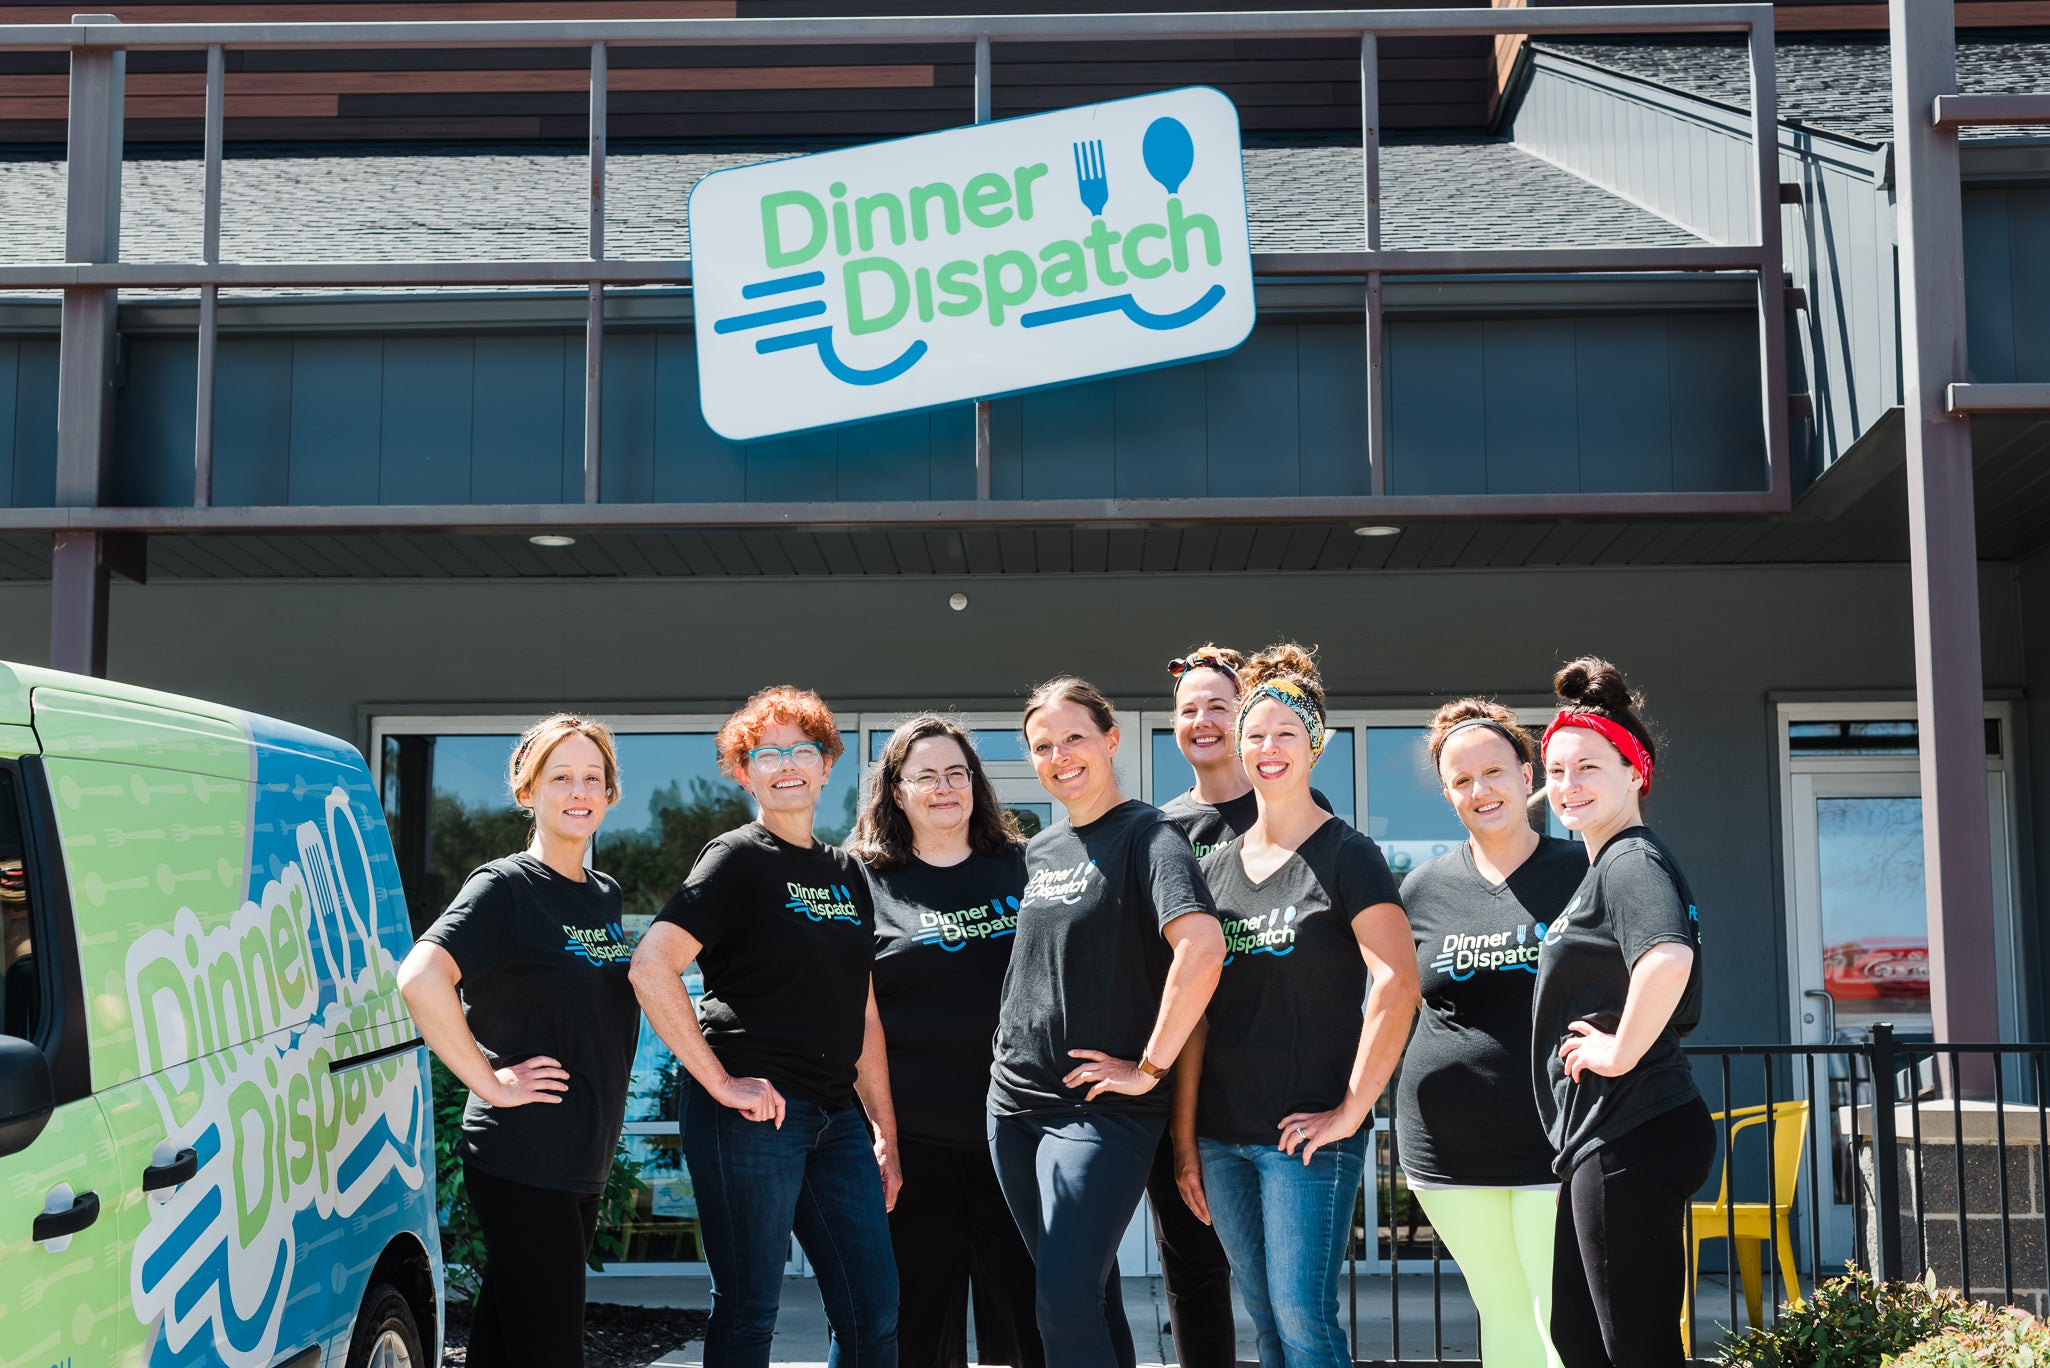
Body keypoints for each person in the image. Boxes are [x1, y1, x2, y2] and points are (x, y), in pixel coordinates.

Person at [629, 686, 900, 1368]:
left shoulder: (849, 874)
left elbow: (864, 1011)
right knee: (750, 1311)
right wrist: (720, 1083)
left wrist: (883, 1131)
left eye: (802, 751)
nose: (786, 766)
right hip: (753, 1117)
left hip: (837, 1119)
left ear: (827, 765)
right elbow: (651, 967)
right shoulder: (735, 858)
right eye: (766, 754)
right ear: (743, 772)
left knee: (873, 1313)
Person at [1171, 644, 1418, 1368]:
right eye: (1255, 734)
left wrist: (1351, 1111)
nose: (1268, 748)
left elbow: (1397, 983)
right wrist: (1186, 1141)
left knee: (1303, 1320)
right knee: (1265, 1322)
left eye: (1286, 733)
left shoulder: (1348, 853)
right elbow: (1198, 1015)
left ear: (1316, 745)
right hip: (1221, 1138)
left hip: (1306, 1139)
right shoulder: (1215, 868)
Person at [989, 677, 1228, 1368]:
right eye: (1043, 746)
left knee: (1062, 1300)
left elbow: (1202, 948)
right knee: (1085, 1296)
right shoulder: (1041, 849)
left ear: (1111, 740)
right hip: (1013, 1104)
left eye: (1074, 738)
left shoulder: (1149, 835)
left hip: (1096, 1110)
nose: (1059, 756)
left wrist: (1148, 1067)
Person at [398, 714, 640, 1368]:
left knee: (507, 1341)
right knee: (550, 1350)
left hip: (580, 1157)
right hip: (525, 1156)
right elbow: (421, 978)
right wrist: (490, 1081)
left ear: (610, 793)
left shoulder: (603, 895)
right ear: (527, 791)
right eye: (560, 777)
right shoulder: (505, 888)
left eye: (592, 777)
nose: (579, 790)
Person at [1534, 657, 1713, 1368]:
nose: (1568, 785)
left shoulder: (1629, 861)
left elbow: (1667, 958)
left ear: (1634, 772)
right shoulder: (1610, 863)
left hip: (1633, 1125)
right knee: (1582, 1340)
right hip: (1609, 1135)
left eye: (1588, 767)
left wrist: (1617, 1051)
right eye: (1556, 771)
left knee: (1634, 1348)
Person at [848, 715, 1042, 1368]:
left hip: (1016, 1135)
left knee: (1032, 1327)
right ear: (895, 791)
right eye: (925, 775)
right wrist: (883, 1135)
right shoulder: (864, 881)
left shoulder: (1024, 867)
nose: (944, 787)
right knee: (918, 1334)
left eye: (957, 773)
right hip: (915, 1146)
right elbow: (858, 1019)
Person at [1396, 699, 1585, 1368]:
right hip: (1446, 1146)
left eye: (1494, 772)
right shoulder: (1422, 889)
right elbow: (1395, 1000)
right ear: (1448, 795)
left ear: (1527, 775)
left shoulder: (1585, 871)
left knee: (1559, 1319)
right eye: (1462, 780)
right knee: (1502, 1311)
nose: (1481, 790)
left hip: (1556, 1138)